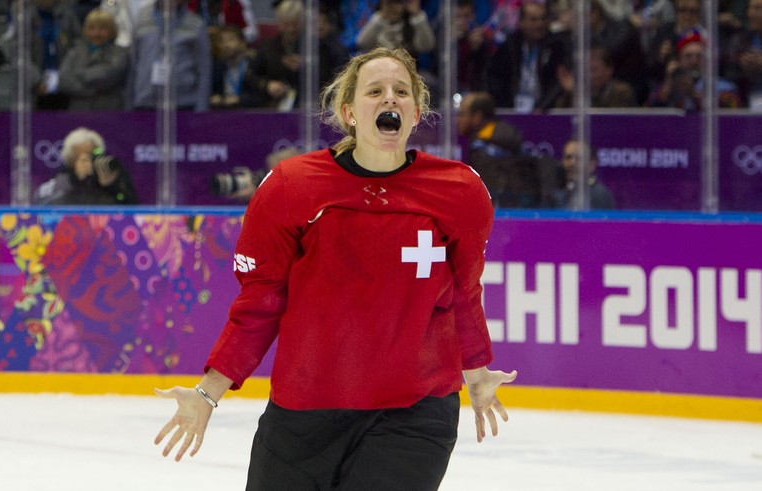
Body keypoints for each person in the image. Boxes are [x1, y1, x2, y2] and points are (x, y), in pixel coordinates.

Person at [154, 47, 517, 489]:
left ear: (417, 111)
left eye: (401, 91)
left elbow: (464, 291)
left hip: (413, 415)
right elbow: (260, 303)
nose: (390, 99)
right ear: (348, 111)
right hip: (304, 412)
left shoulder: (459, 191)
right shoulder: (293, 187)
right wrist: (206, 393)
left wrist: (477, 372)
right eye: (375, 91)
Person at [128, 0, 211, 111]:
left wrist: (202, 107)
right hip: (145, 103)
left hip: (184, 103)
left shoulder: (195, 24)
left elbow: (204, 70)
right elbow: (133, 64)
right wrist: (129, 104)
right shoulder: (141, 19)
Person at [485, 1, 568, 111]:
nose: (540, 24)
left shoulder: (556, 45)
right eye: (533, 20)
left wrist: (542, 106)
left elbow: (557, 83)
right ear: (521, 22)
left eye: (543, 19)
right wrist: (505, 106)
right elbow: (495, 79)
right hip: (510, 108)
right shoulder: (509, 45)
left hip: (544, 110)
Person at [35, 127, 138, 205]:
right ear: (70, 160)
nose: (87, 162)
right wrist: (77, 179)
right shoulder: (60, 179)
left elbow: (133, 207)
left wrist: (112, 186)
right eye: (81, 158)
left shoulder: (110, 171)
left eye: (91, 156)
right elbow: (42, 203)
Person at [58, 8, 130, 110]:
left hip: (110, 111)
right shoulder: (74, 51)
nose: (96, 33)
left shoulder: (119, 53)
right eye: (91, 28)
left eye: (102, 28)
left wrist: (79, 73)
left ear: (111, 30)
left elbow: (107, 75)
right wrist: (93, 90)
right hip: (78, 111)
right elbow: (64, 81)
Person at [209, 24, 265, 110]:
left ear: (242, 43)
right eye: (222, 41)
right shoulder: (216, 67)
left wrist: (240, 99)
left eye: (231, 40)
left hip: (249, 112)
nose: (226, 45)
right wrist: (215, 97)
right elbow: (210, 91)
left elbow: (261, 96)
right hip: (222, 113)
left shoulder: (253, 64)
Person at [561, 139, 615, 210]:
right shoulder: (556, 192)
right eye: (568, 157)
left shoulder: (599, 195)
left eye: (578, 158)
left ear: (592, 165)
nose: (572, 163)